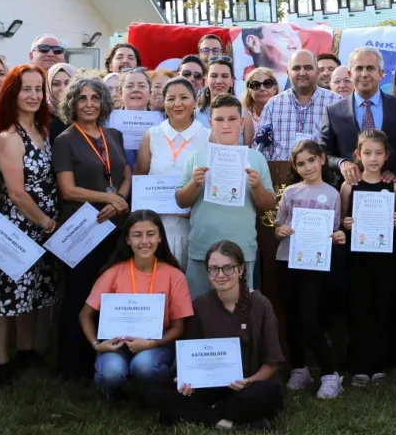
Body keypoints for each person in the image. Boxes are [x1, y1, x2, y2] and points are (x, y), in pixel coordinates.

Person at [149, 241, 285, 429]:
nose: (220, 275)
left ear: (241, 269)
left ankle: (197, 414)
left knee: (268, 391)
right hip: (208, 387)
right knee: (157, 388)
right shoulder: (200, 305)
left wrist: (249, 382)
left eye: (227, 268)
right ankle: (229, 423)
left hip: (247, 386)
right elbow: (189, 354)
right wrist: (187, 381)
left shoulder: (261, 305)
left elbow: (272, 363)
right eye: (214, 269)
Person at [53, 73, 132, 379]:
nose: (89, 104)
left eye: (95, 98)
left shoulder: (114, 135)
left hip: (114, 227)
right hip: (82, 229)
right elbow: (68, 190)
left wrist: (119, 198)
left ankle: (109, 359)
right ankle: (73, 367)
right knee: (79, 294)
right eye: (82, 98)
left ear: (103, 102)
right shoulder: (65, 140)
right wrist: (108, 198)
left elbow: (126, 173)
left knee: (109, 295)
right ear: (72, 104)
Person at [0, 64, 61, 384]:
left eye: (38, 89)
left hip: (43, 227)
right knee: (8, 296)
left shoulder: (42, 131)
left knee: (32, 293)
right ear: (12, 94)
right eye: (26, 89)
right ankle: (1, 363)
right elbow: (16, 193)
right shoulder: (10, 136)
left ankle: (26, 352)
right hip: (19, 227)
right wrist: (46, 223)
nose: (33, 95)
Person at [80, 210, 193, 398]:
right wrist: (97, 345)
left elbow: (178, 328)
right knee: (112, 371)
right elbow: (85, 314)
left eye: (151, 234)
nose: (144, 241)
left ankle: (153, 395)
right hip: (117, 343)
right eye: (137, 235)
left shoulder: (175, 276)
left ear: (160, 237)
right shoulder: (113, 272)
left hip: (156, 344)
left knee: (144, 366)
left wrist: (150, 343)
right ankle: (110, 394)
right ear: (127, 240)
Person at [176, 94, 276, 296]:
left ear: (242, 123)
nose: (226, 125)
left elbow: (268, 204)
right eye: (219, 119)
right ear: (211, 123)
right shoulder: (197, 157)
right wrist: (195, 183)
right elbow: (181, 201)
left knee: (239, 309)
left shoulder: (255, 158)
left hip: (241, 248)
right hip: (203, 247)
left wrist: (257, 186)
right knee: (200, 307)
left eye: (232, 119)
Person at [273, 140, 347, 398]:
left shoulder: (333, 193)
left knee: (309, 316)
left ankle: (330, 374)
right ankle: (299, 368)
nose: (308, 167)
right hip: (286, 260)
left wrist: (339, 236)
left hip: (314, 263)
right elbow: (279, 226)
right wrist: (280, 230)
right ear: (295, 167)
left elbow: (334, 229)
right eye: (301, 163)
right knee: (291, 316)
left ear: (322, 159)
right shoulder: (290, 192)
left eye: (311, 160)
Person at [340, 130, 396, 388]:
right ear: (358, 155)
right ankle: (359, 366)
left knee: (382, 308)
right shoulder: (348, 186)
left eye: (378, 153)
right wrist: (345, 223)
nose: (373, 158)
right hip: (357, 260)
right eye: (367, 153)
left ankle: (379, 367)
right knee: (359, 309)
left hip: (385, 259)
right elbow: (341, 221)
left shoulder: (394, 186)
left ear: (387, 155)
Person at [135, 77, 211, 278]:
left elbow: (213, 184)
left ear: (195, 101)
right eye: (171, 98)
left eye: (184, 97)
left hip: (194, 224)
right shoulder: (152, 135)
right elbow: (140, 177)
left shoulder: (208, 137)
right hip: (158, 227)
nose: (177, 104)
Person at [320, 47, 396, 184]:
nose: (364, 74)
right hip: (349, 188)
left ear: (381, 74)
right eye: (359, 68)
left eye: (370, 68)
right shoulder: (333, 112)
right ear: (350, 74)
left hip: (393, 188)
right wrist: (342, 163)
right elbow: (324, 153)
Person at [253, 50, 339, 188]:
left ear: (317, 72)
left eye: (308, 67)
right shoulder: (273, 104)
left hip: (323, 182)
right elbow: (262, 149)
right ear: (288, 73)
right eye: (296, 68)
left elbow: (341, 147)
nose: (302, 73)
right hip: (280, 181)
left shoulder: (335, 102)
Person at [240, 65, 279, 147]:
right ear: (249, 91)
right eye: (255, 85)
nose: (262, 88)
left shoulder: (285, 115)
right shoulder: (243, 115)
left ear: (275, 88)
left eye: (267, 83)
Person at [196, 57, 236, 127]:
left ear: (232, 81)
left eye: (225, 76)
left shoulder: (242, 114)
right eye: (214, 76)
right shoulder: (195, 116)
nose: (219, 81)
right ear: (206, 81)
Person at [47, 63, 77, 140]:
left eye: (67, 83)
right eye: (56, 84)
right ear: (48, 87)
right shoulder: (43, 116)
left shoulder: (86, 112)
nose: (62, 88)